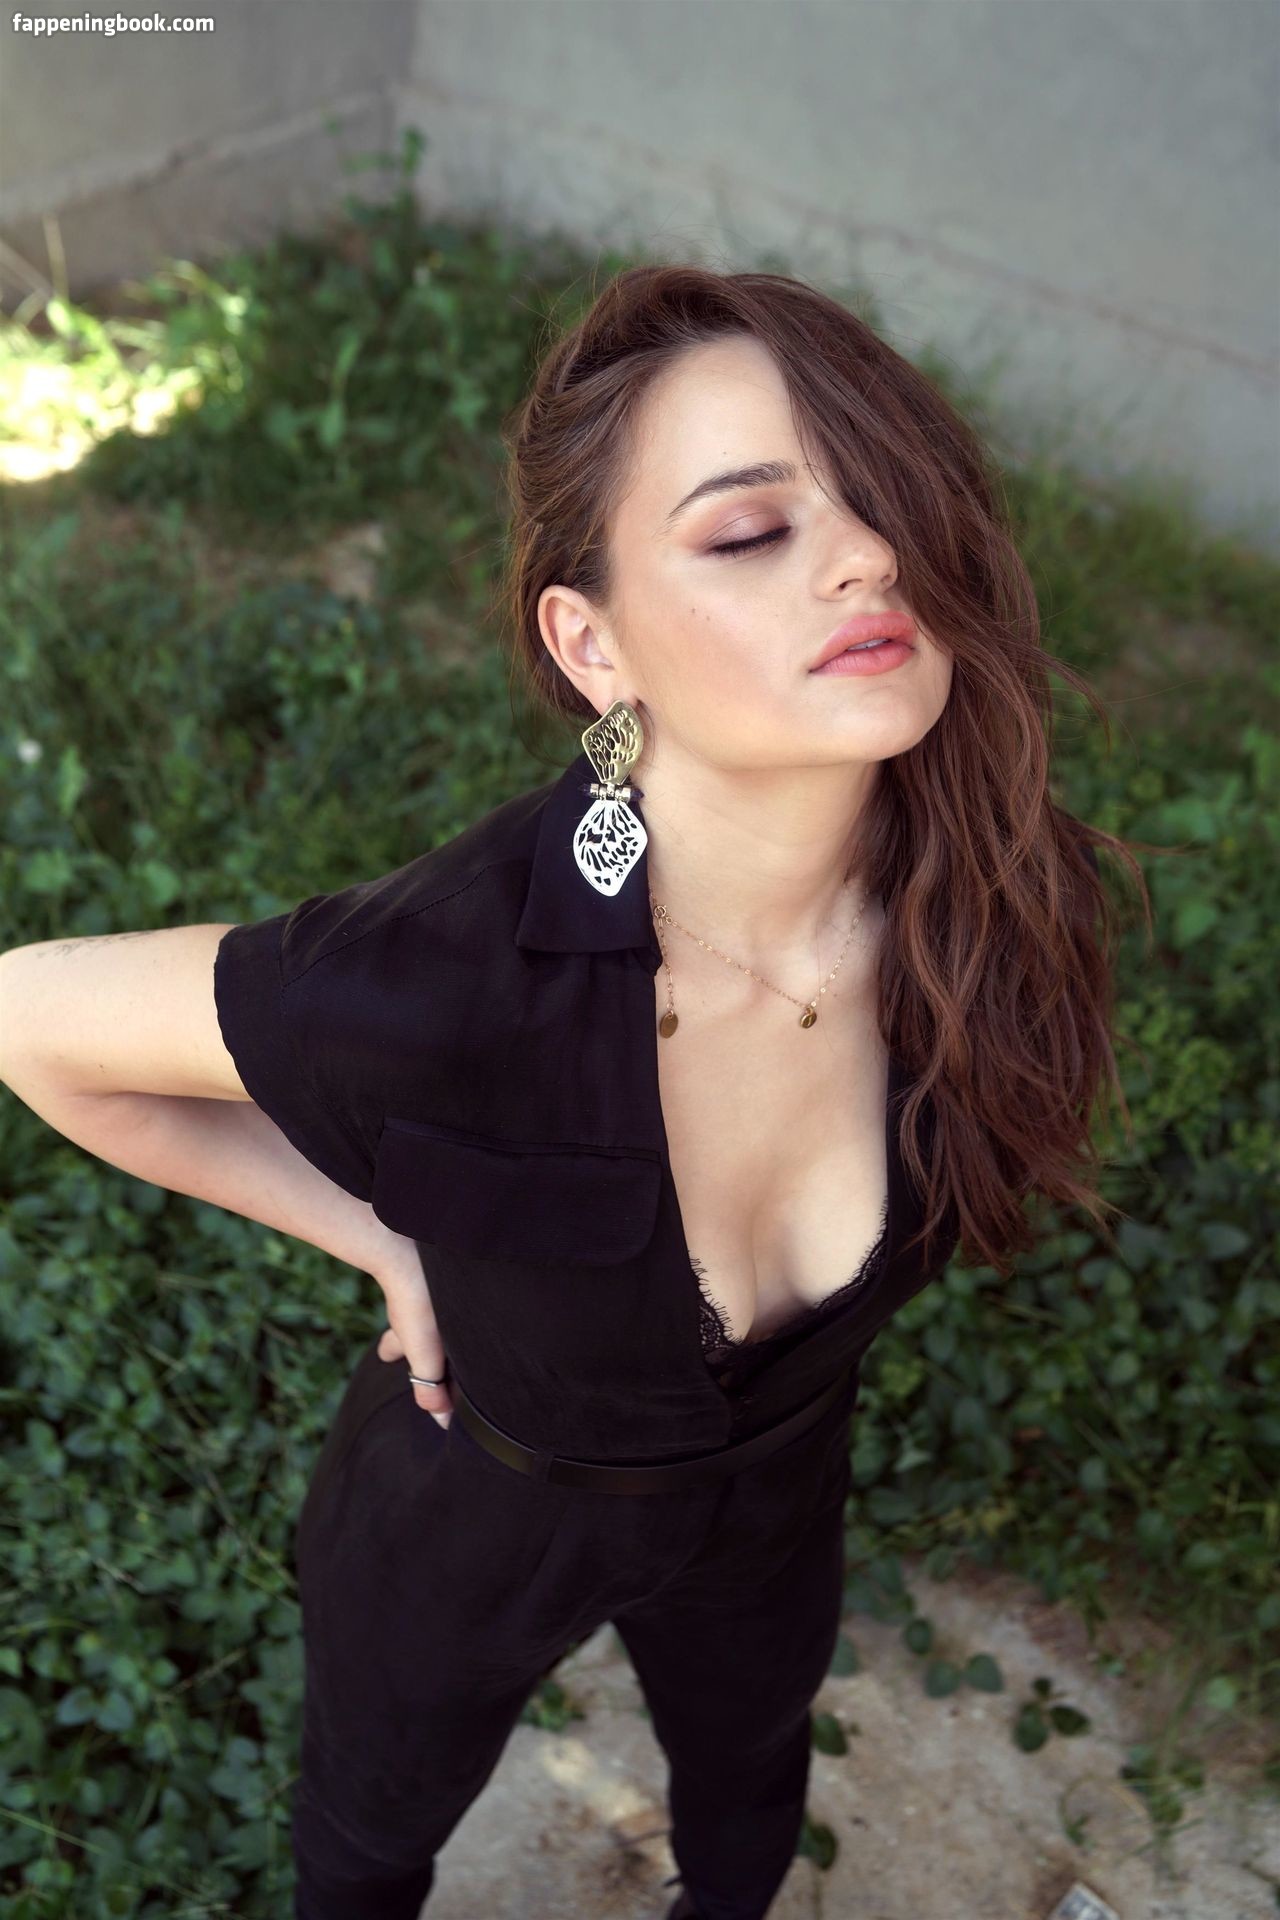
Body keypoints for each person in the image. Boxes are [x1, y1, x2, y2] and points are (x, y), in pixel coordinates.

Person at [0, 265, 1128, 1920]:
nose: (867, 556)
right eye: (751, 531)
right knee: (368, 1840)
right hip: (471, 1518)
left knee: (750, 1781)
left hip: (776, 1511)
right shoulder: (440, 981)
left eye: (885, 496)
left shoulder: (993, 903)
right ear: (592, 645)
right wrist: (378, 1237)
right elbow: (27, 1018)